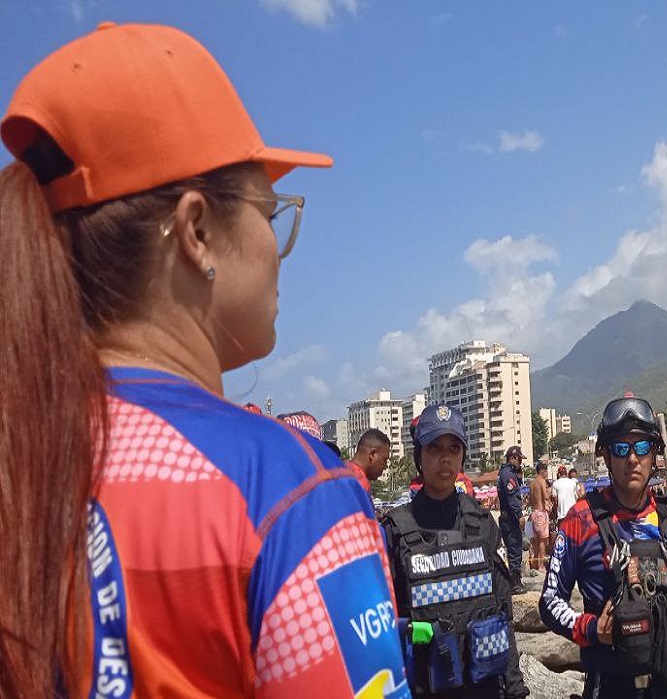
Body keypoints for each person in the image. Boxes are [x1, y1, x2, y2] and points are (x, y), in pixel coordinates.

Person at [0, 22, 409, 697]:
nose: (277, 247)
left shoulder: (28, 452)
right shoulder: (289, 491)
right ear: (196, 231)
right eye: (270, 212)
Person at [539, 395, 667, 698]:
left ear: (655, 454)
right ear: (606, 456)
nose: (632, 458)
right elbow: (551, 602)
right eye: (621, 448)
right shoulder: (580, 519)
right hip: (610, 684)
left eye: (642, 447)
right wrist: (592, 630)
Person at [381, 404, 528, 698]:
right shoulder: (395, 532)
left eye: (453, 447)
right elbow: (382, 627)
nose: (445, 458)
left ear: (462, 454)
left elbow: (503, 611)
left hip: (485, 687)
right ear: (419, 456)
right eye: (434, 448)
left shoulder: (483, 524)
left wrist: (515, 689)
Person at [497, 446, 529, 591]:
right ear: (513, 458)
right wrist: (519, 514)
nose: (521, 462)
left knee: (515, 549)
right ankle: (515, 583)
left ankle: (515, 581)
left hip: (508, 518)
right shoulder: (507, 475)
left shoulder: (509, 473)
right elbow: (511, 497)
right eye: (519, 459)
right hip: (510, 519)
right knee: (515, 550)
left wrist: (519, 476)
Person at [348, 427, 392, 495]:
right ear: (372, 454)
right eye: (384, 460)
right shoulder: (360, 482)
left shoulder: (340, 471)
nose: (385, 466)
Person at [529, 462, 553, 571]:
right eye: (546, 471)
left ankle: (536, 564)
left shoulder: (532, 482)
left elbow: (529, 500)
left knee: (537, 541)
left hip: (533, 513)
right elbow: (546, 496)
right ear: (542, 471)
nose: (547, 474)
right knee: (543, 540)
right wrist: (550, 490)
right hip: (541, 513)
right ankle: (542, 565)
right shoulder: (541, 481)